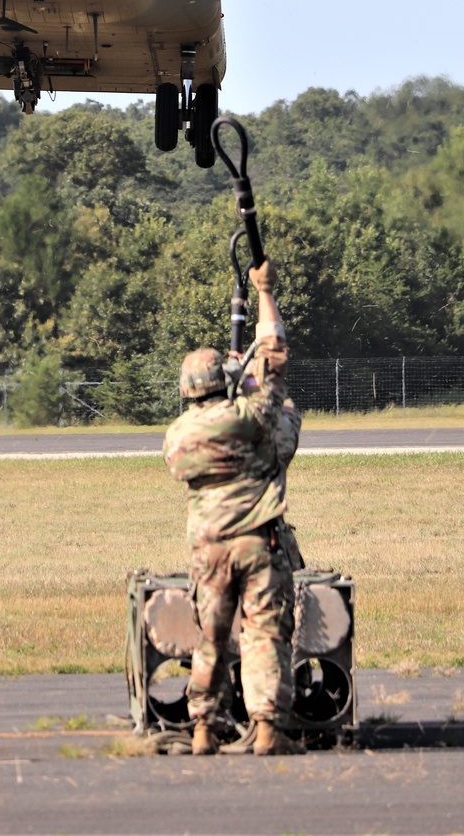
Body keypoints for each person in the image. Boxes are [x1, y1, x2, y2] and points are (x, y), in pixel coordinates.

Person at [163, 258, 304, 757]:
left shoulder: (177, 437)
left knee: (211, 637)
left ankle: (201, 728)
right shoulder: (252, 419)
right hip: (258, 541)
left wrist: (232, 379)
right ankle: (266, 730)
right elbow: (276, 356)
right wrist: (266, 292)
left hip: (209, 547)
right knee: (265, 633)